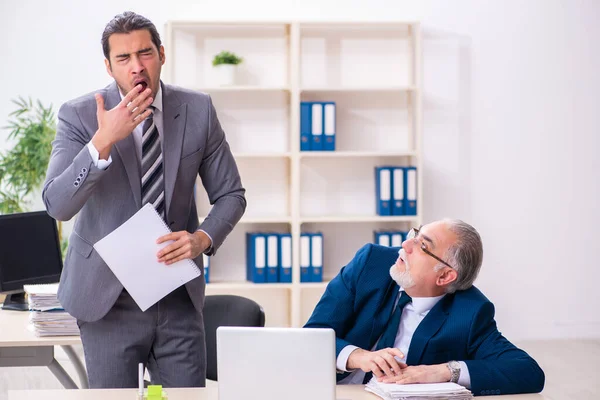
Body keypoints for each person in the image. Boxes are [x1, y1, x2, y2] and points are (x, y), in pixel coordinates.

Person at [42, 11, 246, 388]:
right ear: (108, 66)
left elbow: (231, 194)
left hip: (176, 294)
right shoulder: (80, 115)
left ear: (162, 54)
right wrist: (102, 142)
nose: (136, 67)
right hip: (107, 298)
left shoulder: (197, 110)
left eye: (145, 53)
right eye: (123, 58)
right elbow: (57, 205)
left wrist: (201, 239)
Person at [304, 219, 545, 396]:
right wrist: (359, 357)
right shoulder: (370, 264)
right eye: (415, 234)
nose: (406, 244)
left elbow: (527, 371)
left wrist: (443, 372)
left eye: (423, 246)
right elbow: (313, 335)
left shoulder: (470, 312)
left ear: (445, 276)